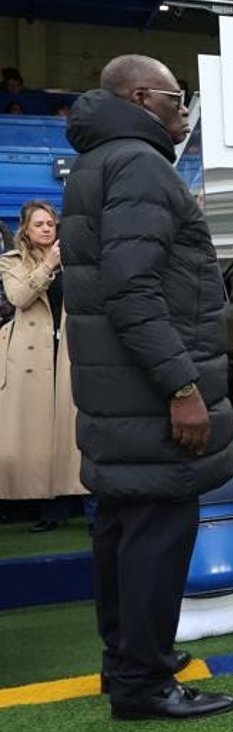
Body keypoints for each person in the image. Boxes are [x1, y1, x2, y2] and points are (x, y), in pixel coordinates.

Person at [63, 54, 233, 720]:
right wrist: (180, 386)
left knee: (121, 534)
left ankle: (129, 667)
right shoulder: (138, 164)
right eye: (176, 94)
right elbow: (132, 290)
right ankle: (145, 683)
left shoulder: (99, 163)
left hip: (117, 402)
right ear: (140, 96)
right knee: (156, 540)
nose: (184, 107)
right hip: (149, 400)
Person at [0, 201, 87, 531]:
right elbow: (19, 297)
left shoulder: (75, 260)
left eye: (51, 223)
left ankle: (91, 510)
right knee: (40, 437)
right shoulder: (11, 262)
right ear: (25, 229)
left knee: (72, 433)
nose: (47, 229)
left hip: (68, 350)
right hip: (30, 358)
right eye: (39, 224)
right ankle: (50, 512)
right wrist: (48, 264)